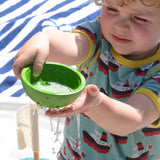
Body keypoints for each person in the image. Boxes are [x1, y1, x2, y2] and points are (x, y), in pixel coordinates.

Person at [13, 0, 160, 159]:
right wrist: (44, 40)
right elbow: (69, 46)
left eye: (139, 18)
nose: (119, 25)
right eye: (111, 9)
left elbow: (131, 119)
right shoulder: (98, 36)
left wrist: (96, 104)